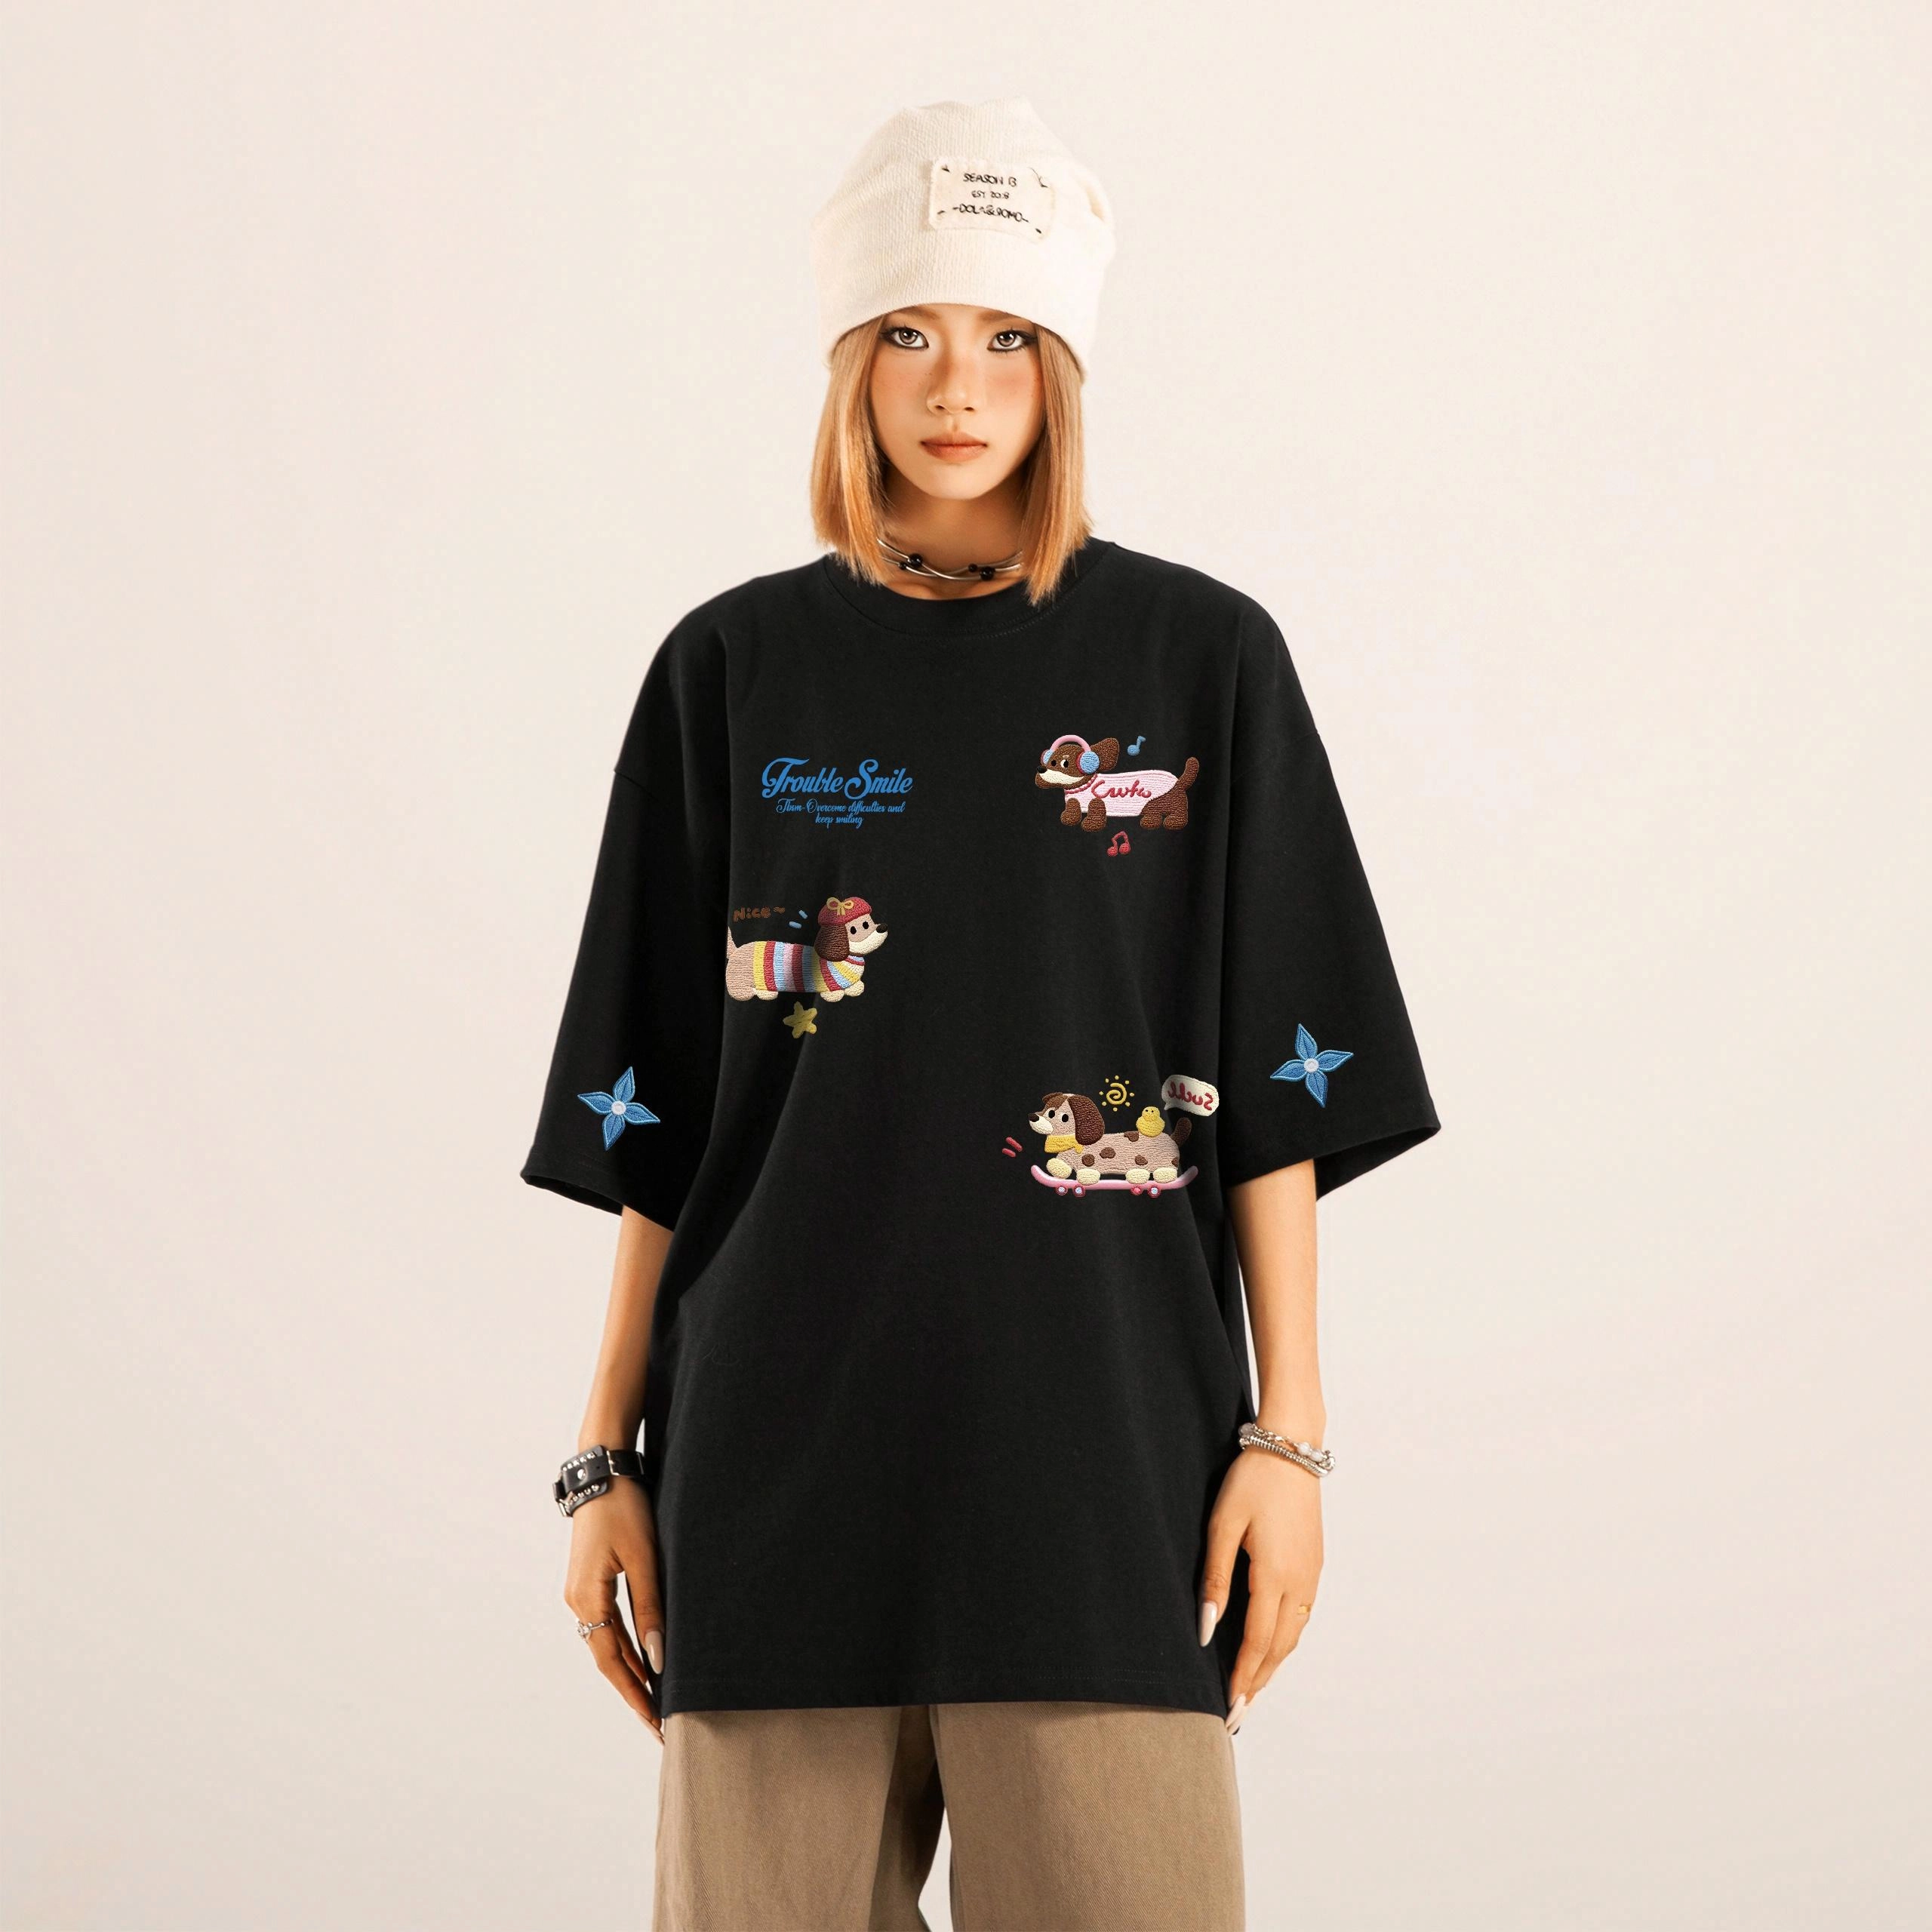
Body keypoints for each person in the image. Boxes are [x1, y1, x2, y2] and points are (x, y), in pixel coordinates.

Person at [520, 97, 1441, 1932]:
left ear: (1064, 365)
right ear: (848, 361)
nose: (958, 386)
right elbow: (667, 1119)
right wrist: (604, 1457)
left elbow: (1273, 1083)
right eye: (911, 334)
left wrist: (1288, 1437)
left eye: (1007, 335)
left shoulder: (1201, 660)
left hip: (1104, 1474)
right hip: (775, 1475)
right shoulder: (729, 669)